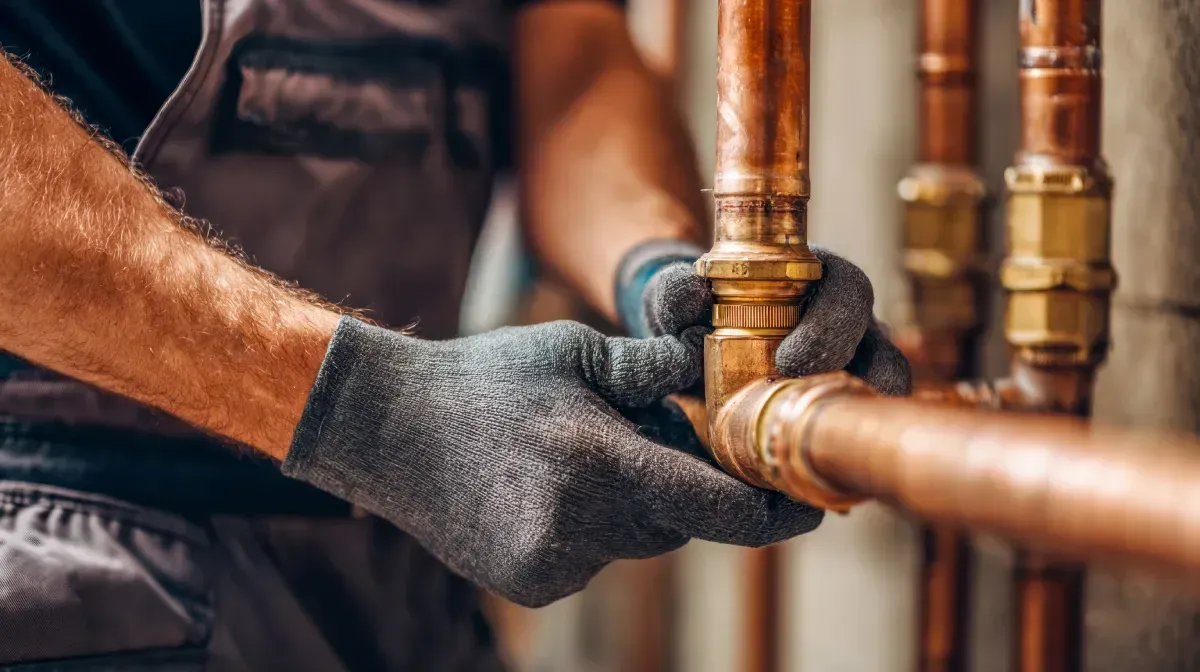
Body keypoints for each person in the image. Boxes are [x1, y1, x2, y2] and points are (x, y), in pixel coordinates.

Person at [0, 0, 910, 669]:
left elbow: (573, 63)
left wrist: (667, 277)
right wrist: (375, 411)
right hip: (77, 544)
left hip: (407, 562)